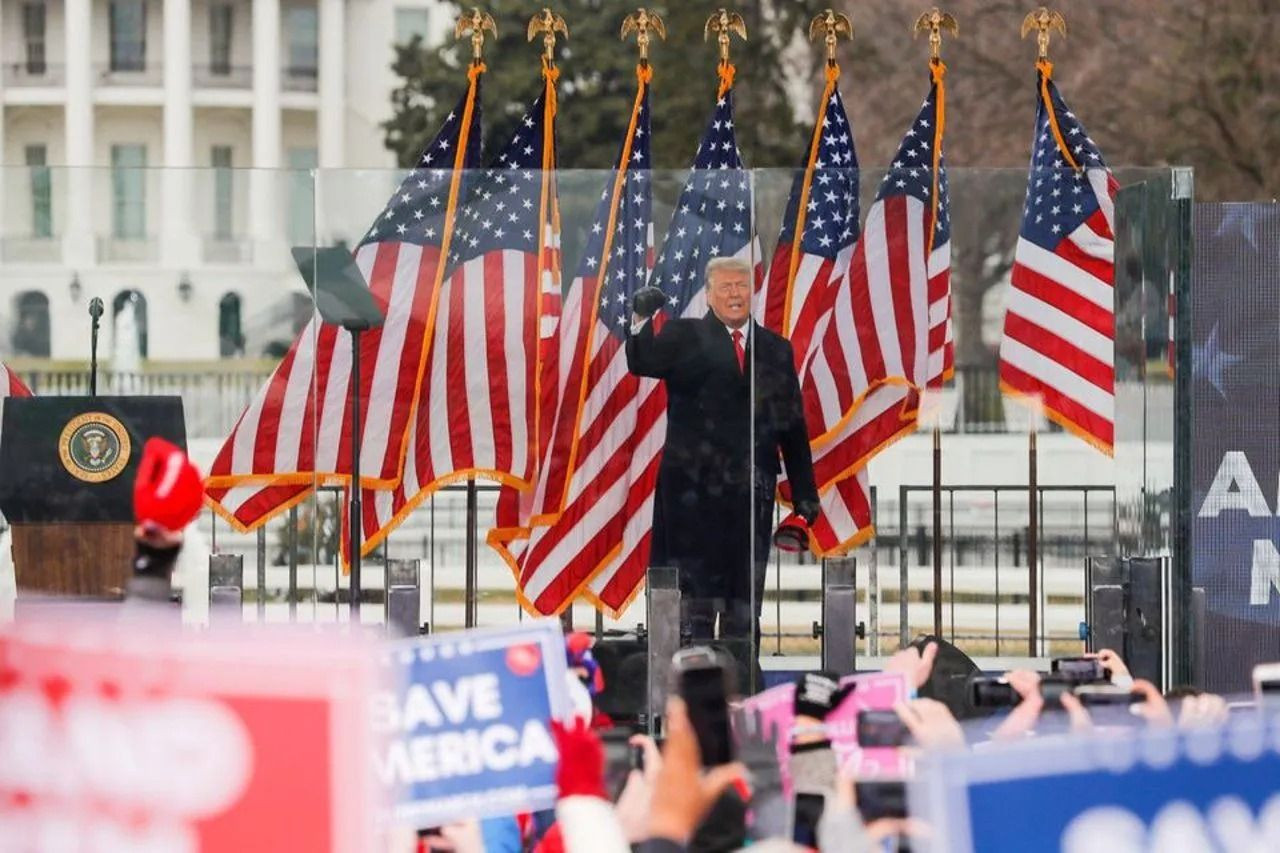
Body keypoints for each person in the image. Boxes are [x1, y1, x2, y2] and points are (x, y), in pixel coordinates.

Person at [627, 257, 819, 689]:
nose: (735, 294)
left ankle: (743, 688)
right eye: (726, 287)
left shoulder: (775, 349)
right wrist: (641, 318)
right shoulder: (683, 335)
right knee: (692, 603)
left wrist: (805, 494)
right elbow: (642, 362)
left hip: (750, 494)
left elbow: (791, 424)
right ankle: (688, 691)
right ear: (709, 293)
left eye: (741, 285)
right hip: (691, 498)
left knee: (743, 601)